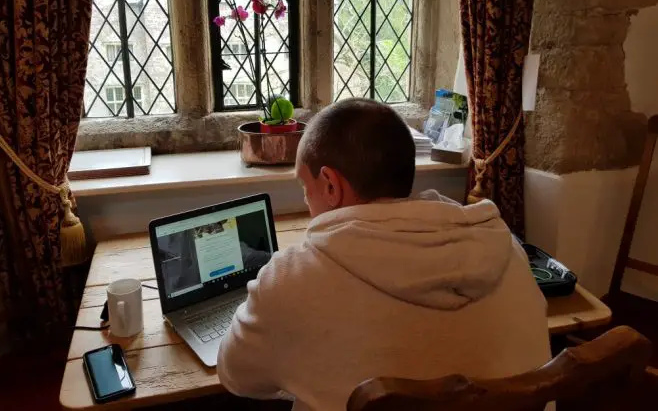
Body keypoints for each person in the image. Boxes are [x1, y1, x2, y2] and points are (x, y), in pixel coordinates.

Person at [217, 99, 550, 411]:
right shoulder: (507, 250)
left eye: (306, 189)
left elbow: (235, 375)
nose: (307, 203)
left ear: (331, 186)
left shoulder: (287, 282)